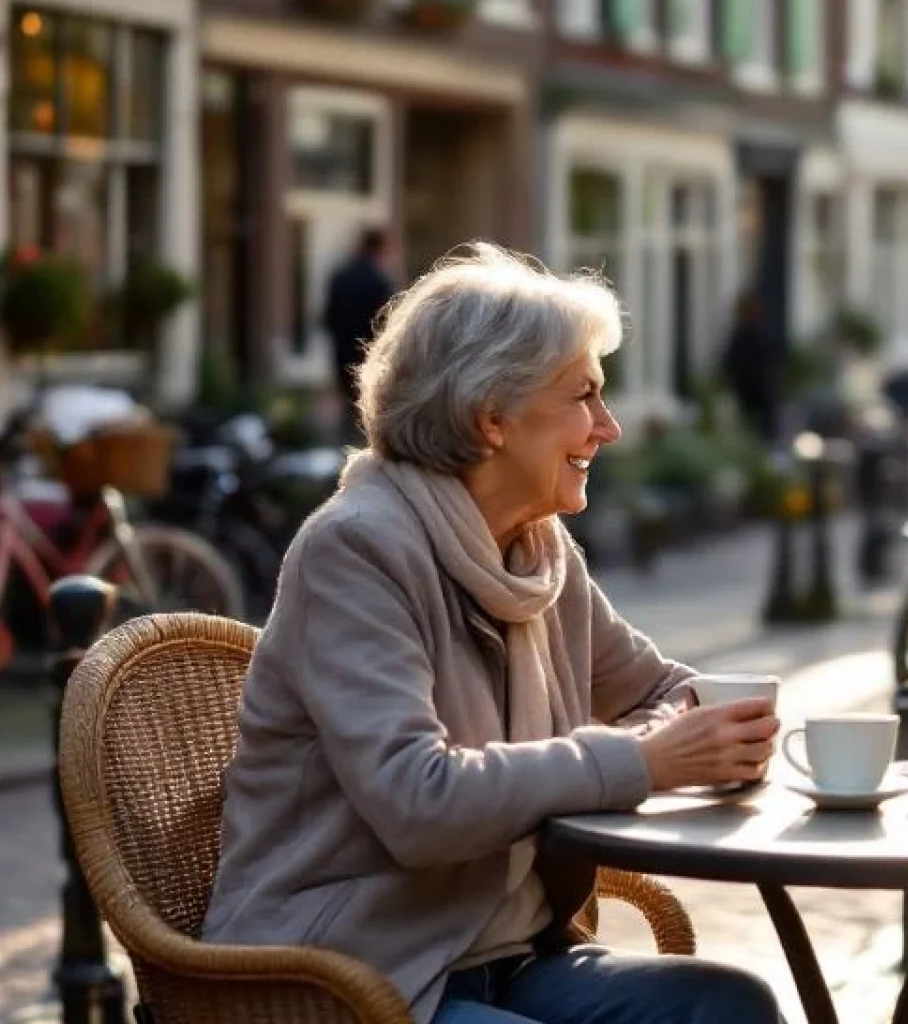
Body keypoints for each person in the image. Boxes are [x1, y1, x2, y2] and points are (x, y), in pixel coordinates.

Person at [203, 244, 785, 1024]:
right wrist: (641, 761)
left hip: (508, 958)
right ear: (491, 419)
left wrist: (688, 733)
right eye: (583, 396)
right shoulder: (357, 548)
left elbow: (656, 688)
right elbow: (417, 800)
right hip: (351, 974)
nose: (608, 428)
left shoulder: (536, 548)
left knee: (727, 1006)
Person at [323, 226, 398, 434]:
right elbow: (388, 325)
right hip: (370, 356)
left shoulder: (340, 277)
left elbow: (328, 318)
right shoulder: (380, 281)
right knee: (368, 411)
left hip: (342, 355)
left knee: (349, 408)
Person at [720, 292, 784, 442]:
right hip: (749, 390)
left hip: (761, 391)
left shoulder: (762, 333)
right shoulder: (742, 335)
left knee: (764, 430)